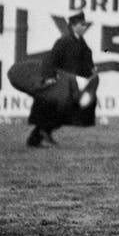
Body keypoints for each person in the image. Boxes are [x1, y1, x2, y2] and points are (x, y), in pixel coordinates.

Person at [27, 11, 100, 148]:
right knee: (59, 113)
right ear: (73, 26)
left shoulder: (80, 42)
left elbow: (85, 61)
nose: (84, 27)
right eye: (82, 24)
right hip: (60, 83)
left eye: (85, 24)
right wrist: (49, 78)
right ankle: (39, 136)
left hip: (70, 84)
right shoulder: (64, 41)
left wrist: (91, 71)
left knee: (62, 113)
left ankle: (36, 137)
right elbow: (50, 60)